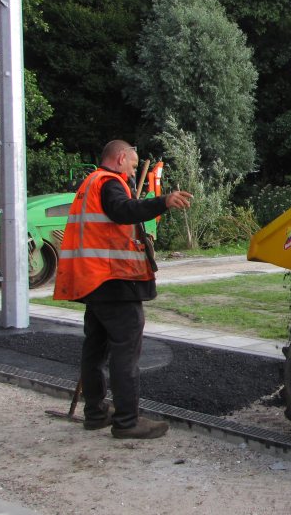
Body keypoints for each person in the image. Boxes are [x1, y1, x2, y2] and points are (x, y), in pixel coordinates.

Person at [53, 140, 193, 439]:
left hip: (94, 280)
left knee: (95, 348)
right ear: (119, 158)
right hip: (113, 280)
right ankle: (127, 421)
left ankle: (95, 413)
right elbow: (123, 211)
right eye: (132, 163)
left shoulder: (90, 183)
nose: (133, 169)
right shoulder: (109, 184)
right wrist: (163, 201)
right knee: (125, 351)